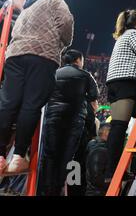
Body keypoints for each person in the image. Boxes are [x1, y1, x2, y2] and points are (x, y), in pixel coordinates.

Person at [0, 0, 73, 175]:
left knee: (8, 103)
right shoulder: (56, 2)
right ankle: (18, 156)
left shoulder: (27, 8)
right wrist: (64, 42)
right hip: (42, 56)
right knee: (31, 105)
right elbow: (66, 24)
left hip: (15, 55)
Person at [37, 50, 99, 196]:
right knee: (67, 155)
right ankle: (59, 188)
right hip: (75, 121)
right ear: (78, 60)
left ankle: (47, 189)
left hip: (52, 117)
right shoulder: (85, 75)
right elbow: (94, 104)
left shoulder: (55, 73)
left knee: (50, 154)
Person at [105, 9, 136, 177]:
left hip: (114, 83)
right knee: (119, 128)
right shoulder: (134, 34)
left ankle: (112, 170)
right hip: (126, 82)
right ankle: (113, 171)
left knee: (117, 126)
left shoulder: (121, 37)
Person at [85, 123, 111, 196]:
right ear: (106, 133)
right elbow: (96, 179)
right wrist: (113, 180)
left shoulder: (99, 148)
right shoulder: (99, 151)